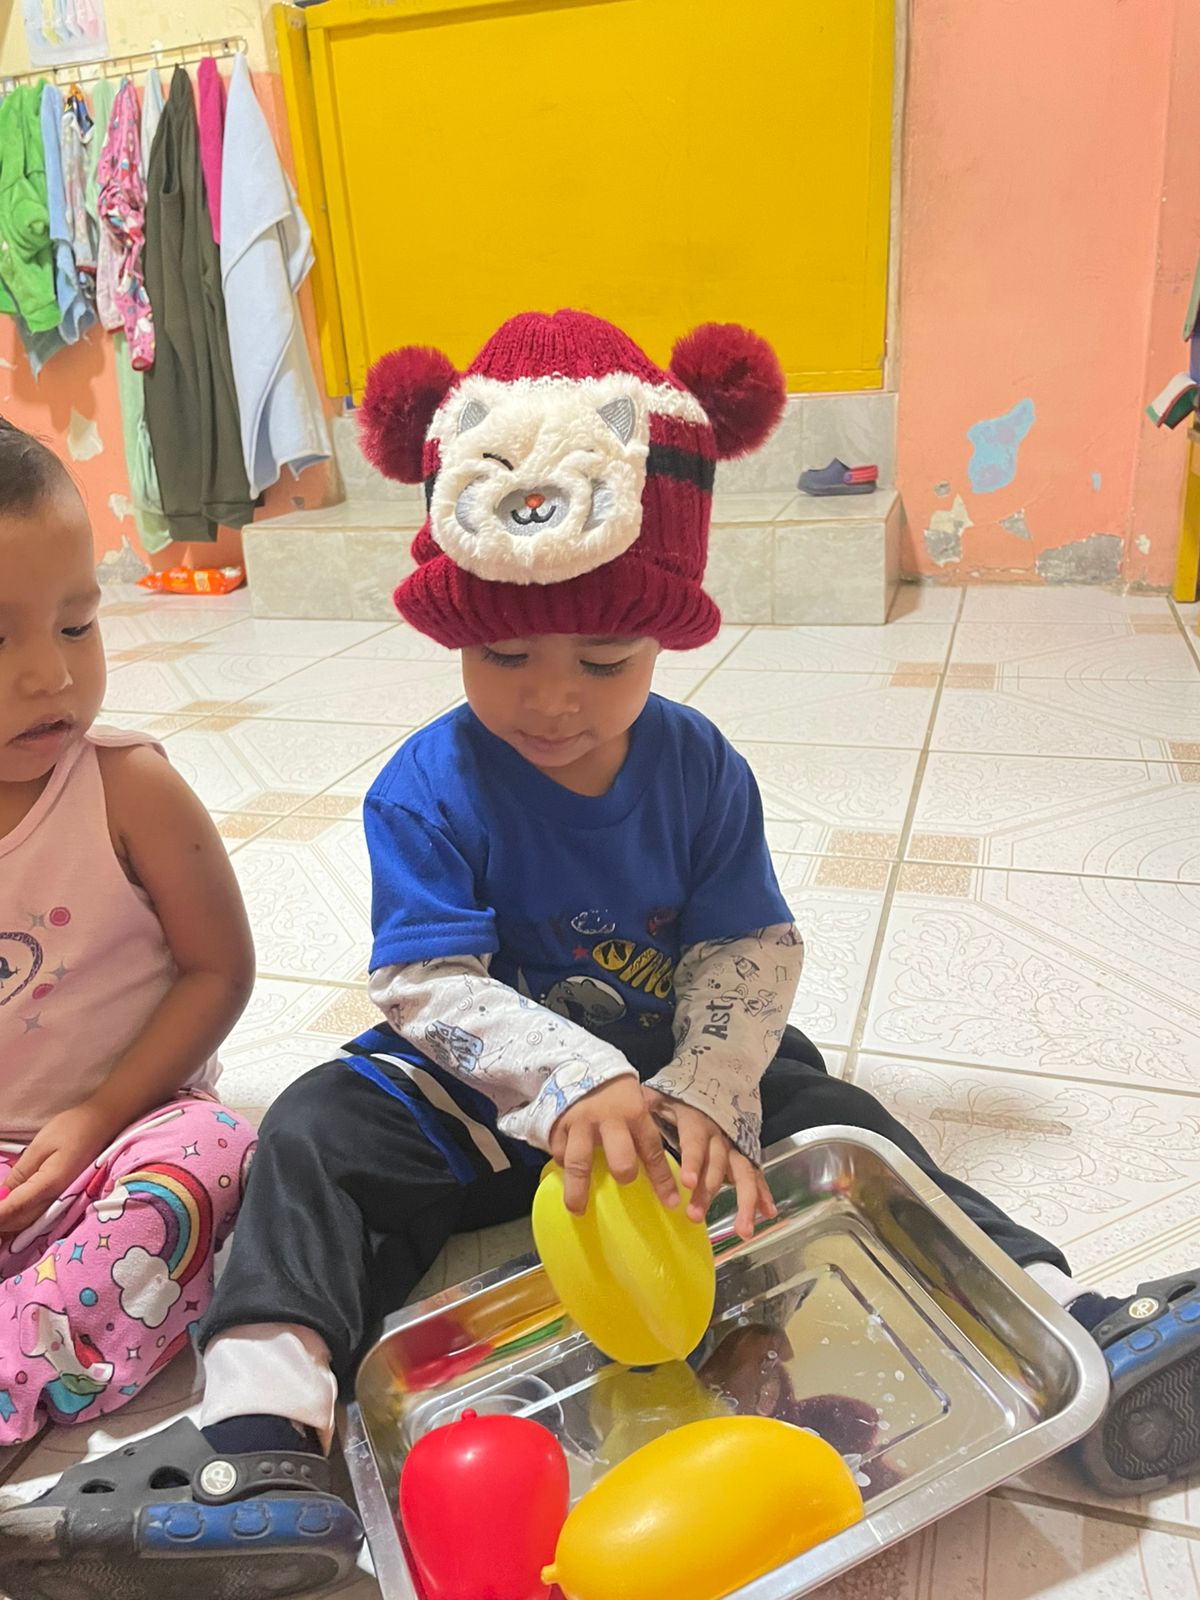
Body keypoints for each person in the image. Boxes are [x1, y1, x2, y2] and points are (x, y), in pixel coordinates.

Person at [4, 312, 1198, 1600]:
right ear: (455, 633)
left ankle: (1057, 1315)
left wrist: (707, 1089)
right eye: (504, 655)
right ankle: (259, 1435)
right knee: (308, 1131)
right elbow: (424, 983)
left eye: (604, 658)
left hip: (669, 1104)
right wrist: (568, 1083)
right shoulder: (426, 786)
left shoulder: (699, 768)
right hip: (472, 1106)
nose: (552, 697)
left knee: (835, 1109)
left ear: (665, 634)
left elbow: (747, 944)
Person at [0, 419, 258, 1449]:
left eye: (76, 625)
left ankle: (20, 1363)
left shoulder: (128, 787)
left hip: (128, 1134)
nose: (51, 677)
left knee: (218, 1155)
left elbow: (219, 969)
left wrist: (103, 1112)